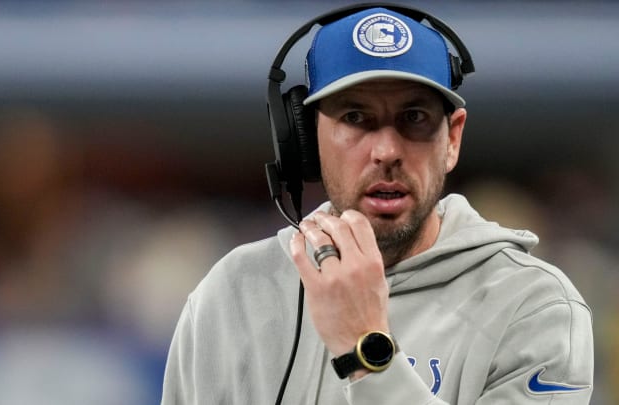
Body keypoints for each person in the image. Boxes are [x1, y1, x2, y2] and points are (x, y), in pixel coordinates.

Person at [161, 4, 593, 404]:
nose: (386, 150)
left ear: (453, 139)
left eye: (414, 118)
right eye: (355, 117)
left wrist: (365, 349)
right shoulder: (233, 293)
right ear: (309, 139)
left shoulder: (535, 307)